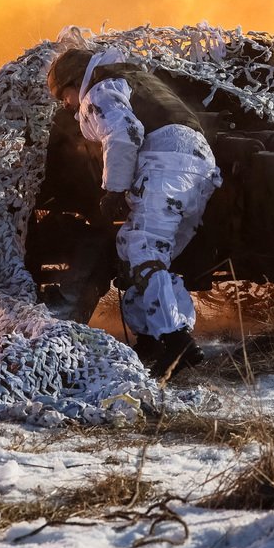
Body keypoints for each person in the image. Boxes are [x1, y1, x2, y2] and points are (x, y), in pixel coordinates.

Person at [46, 47, 222, 376]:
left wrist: (113, 189)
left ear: (74, 82)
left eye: (64, 96)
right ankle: (154, 337)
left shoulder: (99, 90)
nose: (68, 105)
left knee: (143, 246)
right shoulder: (135, 79)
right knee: (143, 253)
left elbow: (125, 134)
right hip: (198, 164)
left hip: (167, 162)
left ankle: (175, 341)